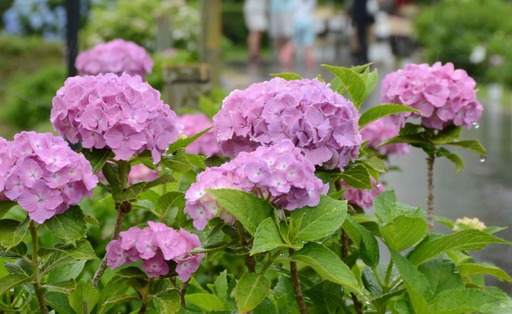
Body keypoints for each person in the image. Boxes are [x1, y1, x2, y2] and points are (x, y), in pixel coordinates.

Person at [269, 0, 298, 69]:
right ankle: (280, 57)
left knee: (288, 35)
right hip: (275, 8)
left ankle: (286, 58)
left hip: (288, 8)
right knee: (277, 35)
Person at [348, 0, 376, 64]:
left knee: (362, 40)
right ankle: (363, 58)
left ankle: (363, 58)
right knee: (363, 40)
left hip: (362, 19)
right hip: (363, 20)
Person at [294, 0, 317, 68]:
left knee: (293, 45)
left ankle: (286, 65)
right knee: (309, 46)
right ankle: (310, 67)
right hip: (308, 21)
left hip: (297, 21)